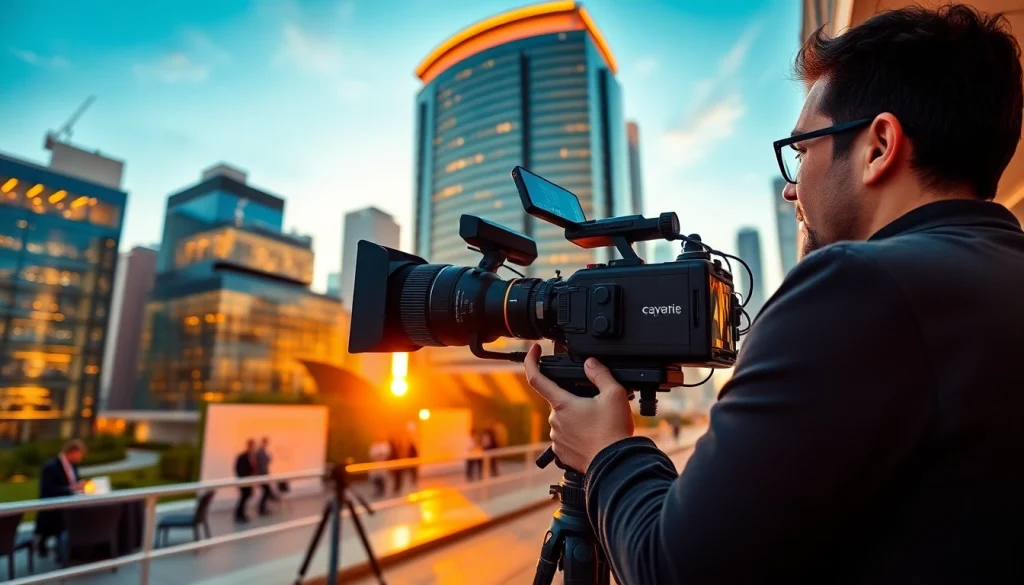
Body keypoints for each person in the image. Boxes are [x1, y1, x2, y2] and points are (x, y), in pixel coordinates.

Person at [524, 5, 1024, 584]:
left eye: (801, 149)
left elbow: (678, 568)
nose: (791, 187)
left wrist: (607, 450)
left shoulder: (856, 286)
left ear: (879, 146)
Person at [35, 439, 87, 556]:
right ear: (72, 452)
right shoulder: (51, 467)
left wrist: (80, 486)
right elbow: (47, 490)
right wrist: (71, 489)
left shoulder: (73, 466)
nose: (80, 458)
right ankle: (50, 545)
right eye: (80, 454)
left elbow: (74, 482)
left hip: (71, 503)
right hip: (54, 507)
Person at [234, 439, 257, 523]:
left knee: (246, 496)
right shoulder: (243, 456)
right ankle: (239, 514)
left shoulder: (251, 456)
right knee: (244, 497)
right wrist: (242, 479)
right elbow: (238, 468)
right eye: (252, 445)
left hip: (248, 481)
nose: (253, 447)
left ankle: (241, 513)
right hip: (243, 481)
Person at [256, 437, 277, 516]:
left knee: (266, 492)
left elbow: (266, 462)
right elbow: (261, 465)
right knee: (266, 491)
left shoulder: (262, 451)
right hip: (262, 475)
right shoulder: (260, 452)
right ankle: (261, 509)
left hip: (264, 475)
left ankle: (262, 508)